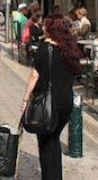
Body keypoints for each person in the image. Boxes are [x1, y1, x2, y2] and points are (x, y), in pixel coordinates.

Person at [21, 15, 81, 180]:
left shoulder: (44, 47)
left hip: (46, 102)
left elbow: (34, 75)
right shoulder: (70, 48)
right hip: (66, 102)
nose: (43, 28)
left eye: (46, 26)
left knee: (46, 143)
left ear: (51, 29)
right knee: (54, 139)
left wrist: (25, 100)